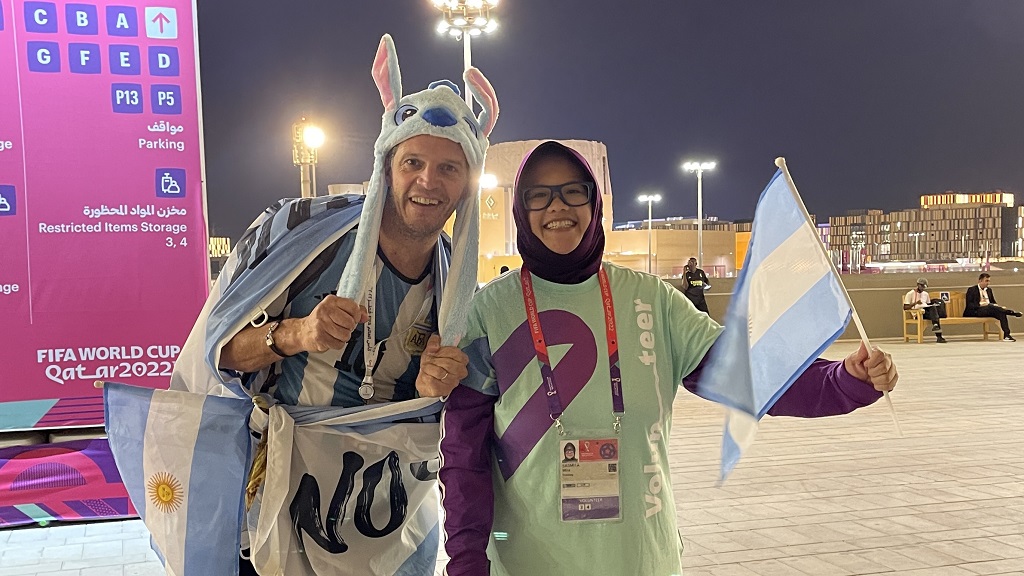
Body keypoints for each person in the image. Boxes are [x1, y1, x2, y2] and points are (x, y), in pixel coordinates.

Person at [437, 141, 898, 576]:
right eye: (538, 195)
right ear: (521, 210)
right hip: (527, 563)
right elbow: (463, 458)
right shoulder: (489, 312)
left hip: (642, 558)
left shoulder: (650, 300)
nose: (557, 206)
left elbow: (746, 373)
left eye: (573, 191)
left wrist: (843, 379)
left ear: (595, 204)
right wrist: (465, 561)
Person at [169, 34, 499, 575]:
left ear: (467, 183)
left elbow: (437, 417)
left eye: (449, 168)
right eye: (413, 161)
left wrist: (431, 390)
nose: (428, 181)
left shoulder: (456, 282)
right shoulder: (301, 233)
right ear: (387, 166)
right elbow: (217, 353)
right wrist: (295, 334)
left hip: (379, 519)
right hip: (271, 507)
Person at [965, 273, 1021, 342]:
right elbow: (970, 305)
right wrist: (981, 305)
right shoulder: (972, 289)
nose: (988, 283)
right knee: (993, 308)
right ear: (980, 281)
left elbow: (993, 302)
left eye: (989, 281)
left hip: (989, 309)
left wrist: (996, 306)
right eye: (986, 281)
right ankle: (1010, 312)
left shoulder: (989, 290)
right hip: (976, 311)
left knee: (1001, 313)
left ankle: (1007, 335)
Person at [904, 277, 947, 343]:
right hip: (918, 313)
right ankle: (938, 334)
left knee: (933, 309)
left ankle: (936, 327)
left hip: (927, 311)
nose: (923, 288)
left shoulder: (926, 294)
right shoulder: (910, 294)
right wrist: (915, 303)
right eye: (922, 286)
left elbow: (928, 304)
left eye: (924, 287)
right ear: (918, 285)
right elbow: (905, 307)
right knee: (935, 317)